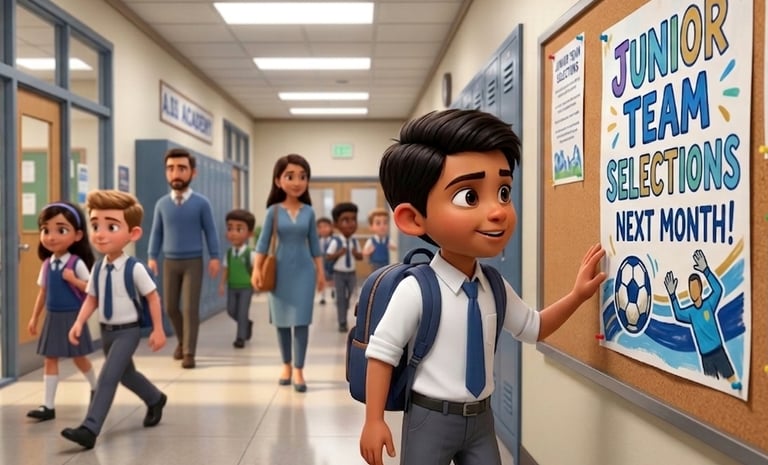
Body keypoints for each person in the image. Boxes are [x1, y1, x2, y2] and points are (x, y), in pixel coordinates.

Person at [359, 109, 606, 465]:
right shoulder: (417, 290)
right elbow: (382, 354)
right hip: (430, 419)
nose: (498, 211)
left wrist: (577, 296)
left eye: (503, 192)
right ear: (413, 219)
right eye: (469, 197)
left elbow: (534, 327)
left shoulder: (494, 286)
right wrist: (373, 419)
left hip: (480, 420)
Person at [61, 190, 167, 449]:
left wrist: (158, 330)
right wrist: (78, 322)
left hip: (127, 331)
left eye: (111, 226)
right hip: (107, 331)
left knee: (108, 376)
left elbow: (153, 298)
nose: (100, 233)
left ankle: (90, 427)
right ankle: (155, 398)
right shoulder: (97, 267)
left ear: (133, 234)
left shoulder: (136, 268)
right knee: (126, 374)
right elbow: (92, 299)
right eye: (96, 225)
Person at [251, 154, 324, 393]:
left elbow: (315, 245)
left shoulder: (309, 213)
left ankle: (300, 370)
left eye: (302, 177)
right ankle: (286, 366)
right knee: (282, 322)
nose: (296, 182)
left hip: (304, 272)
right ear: (278, 180)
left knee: (301, 322)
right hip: (279, 272)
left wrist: (321, 273)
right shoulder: (272, 211)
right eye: (290, 176)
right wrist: (256, 270)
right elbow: (262, 244)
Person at [147, 147, 221, 369]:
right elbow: (156, 232)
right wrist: (152, 256)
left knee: (189, 308)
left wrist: (215, 256)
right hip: (169, 262)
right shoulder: (162, 204)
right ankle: (182, 341)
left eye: (181, 168)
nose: (176, 173)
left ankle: (189, 352)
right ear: (165, 173)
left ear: (193, 173)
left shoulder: (201, 203)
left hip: (193, 262)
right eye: (170, 168)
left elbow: (210, 231)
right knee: (170, 307)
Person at [26, 201, 97, 422]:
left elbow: (90, 288)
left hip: (72, 316)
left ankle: (96, 387)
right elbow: (43, 293)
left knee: (78, 357)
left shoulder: (76, 263)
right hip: (53, 316)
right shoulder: (47, 264)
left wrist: (73, 279)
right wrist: (35, 317)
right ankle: (48, 405)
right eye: (45, 230)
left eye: (61, 230)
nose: (51, 236)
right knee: (50, 358)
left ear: (77, 235)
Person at [663, 249, 742, 391]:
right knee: (710, 387)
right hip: (705, 356)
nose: (692, 291)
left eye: (695, 287)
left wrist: (706, 271)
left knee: (732, 380)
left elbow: (718, 290)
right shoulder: (690, 313)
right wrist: (672, 295)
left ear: (700, 288)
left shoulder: (709, 304)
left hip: (718, 351)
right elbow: (678, 314)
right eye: (690, 288)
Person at [219, 209, 257, 349]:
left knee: (242, 312)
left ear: (250, 233)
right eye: (230, 228)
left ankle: (240, 338)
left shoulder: (250, 253)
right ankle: (246, 324)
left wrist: (255, 282)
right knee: (231, 310)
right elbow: (226, 269)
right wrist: (222, 284)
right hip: (232, 286)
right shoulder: (228, 253)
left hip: (246, 287)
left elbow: (255, 270)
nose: (233, 233)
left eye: (239, 229)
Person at [326, 202, 363, 332]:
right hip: (339, 273)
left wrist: (356, 253)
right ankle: (342, 322)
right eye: (345, 220)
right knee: (341, 297)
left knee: (352, 295)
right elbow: (328, 256)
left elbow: (360, 257)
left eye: (353, 219)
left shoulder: (354, 241)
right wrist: (339, 253)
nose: (351, 223)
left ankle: (344, 306)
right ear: (336, 224)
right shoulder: (336, 241)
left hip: (351, 273)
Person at [362, 207, 396, 272]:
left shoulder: (388, 240)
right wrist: (368, 252)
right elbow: (364, 252)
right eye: (378, 223)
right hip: (375, 264)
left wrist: (392, 247)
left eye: (385, 223)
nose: (382, 226)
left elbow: (395, 248)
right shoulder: (371, 241)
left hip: (386, 263)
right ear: (371, 226)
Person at [316, 217, 335, 305]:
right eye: (320, 227)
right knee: (322, 278)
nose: (323, 229)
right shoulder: (317, 241)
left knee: (333, 279)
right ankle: (322, 297)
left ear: (331, 228)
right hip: (322, 261)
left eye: (325, 226)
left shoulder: (334, 240)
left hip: (332, 262)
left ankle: (334, 292)